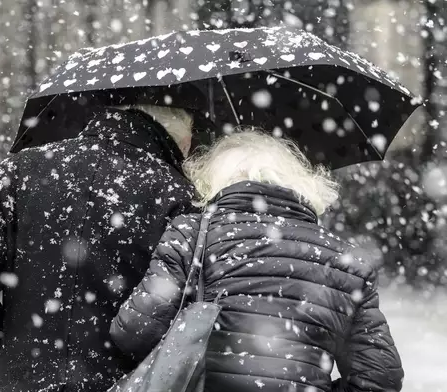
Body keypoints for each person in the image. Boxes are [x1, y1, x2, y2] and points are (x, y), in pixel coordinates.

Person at [110, 130, 404, 392]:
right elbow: (380, 378)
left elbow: (134, 332)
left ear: (211, 181)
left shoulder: (192, 233)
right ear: (300, 182)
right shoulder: (346, 260)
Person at [0, 105, 196, 392]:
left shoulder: (21, 170)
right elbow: (182, 323)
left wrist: (7, 365)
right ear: (181, 141)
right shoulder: (177, 193)